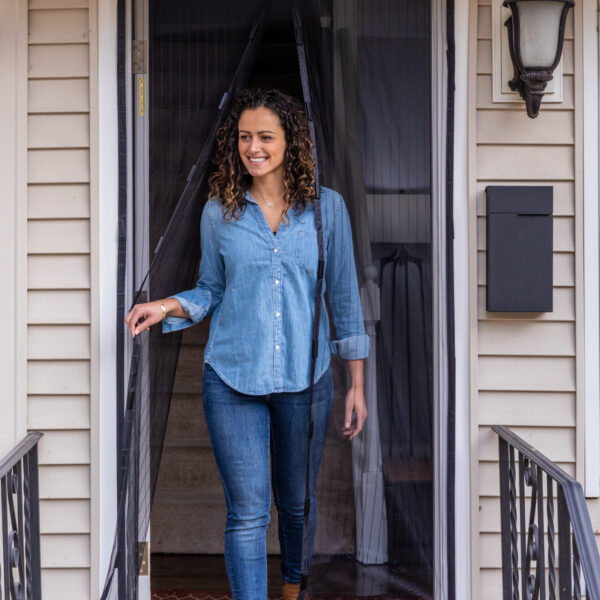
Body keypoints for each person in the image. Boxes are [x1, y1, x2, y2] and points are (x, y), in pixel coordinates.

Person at [125, 88, 369, 600]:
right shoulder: (221, 212)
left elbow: (344, 301)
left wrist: (356, 387)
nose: (252, 147)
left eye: (264, 136)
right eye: (243, 137)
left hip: (307, 382)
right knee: (247, 514)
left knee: (298, 504)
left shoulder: (328, 211)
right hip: (233, 378)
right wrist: (165, 306)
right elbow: (211, 289)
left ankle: (291, 589)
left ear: (290, 142)